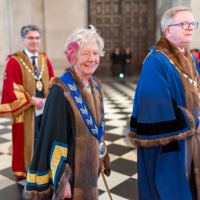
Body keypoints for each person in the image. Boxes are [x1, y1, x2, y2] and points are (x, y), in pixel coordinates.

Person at [23, 25, 111, 200]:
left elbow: (96, 126)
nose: (92, 59)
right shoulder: (60, 90)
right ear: (73, 56)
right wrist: (62, 182)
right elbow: (56, 141)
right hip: (73, 176)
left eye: (95, 53)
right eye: (85, 53)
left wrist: (101, 155)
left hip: (89, 170)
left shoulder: (95, 85)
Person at [128, 6, 200, 200]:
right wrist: (196, 123)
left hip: (192, 141)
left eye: (193, 23)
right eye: (184, 23)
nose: (190, 27)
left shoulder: (191, 58)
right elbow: (158, 110)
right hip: (170, 145)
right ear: (167, 30)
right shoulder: (156, 60)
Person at [0, 25, 54, 178]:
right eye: (30, 37)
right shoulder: (14, 61)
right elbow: (11, 89)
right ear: (23, 39)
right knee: (31, 142)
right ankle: (31, 173)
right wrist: (31, 99)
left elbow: (52, 79)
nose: (34, 41)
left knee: (45, 140)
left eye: (37, 37)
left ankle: (45, 170)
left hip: (45, 110)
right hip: (26, 113)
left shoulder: (44, 59)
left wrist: (51, 90)